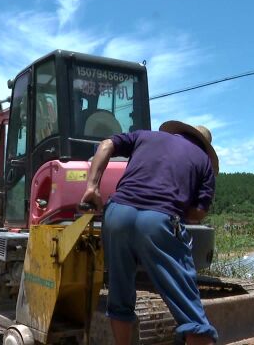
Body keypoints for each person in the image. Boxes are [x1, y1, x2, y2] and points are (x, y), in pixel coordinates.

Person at [80, 120, 219, 345]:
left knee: (120, 295)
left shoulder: (145, 136)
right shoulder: (203, 162)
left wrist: (92, 187)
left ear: (179, 132)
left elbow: (106, 144)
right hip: (158, 222)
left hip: (117, 215)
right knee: (192, 315)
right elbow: (198, 214)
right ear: (204, 147)